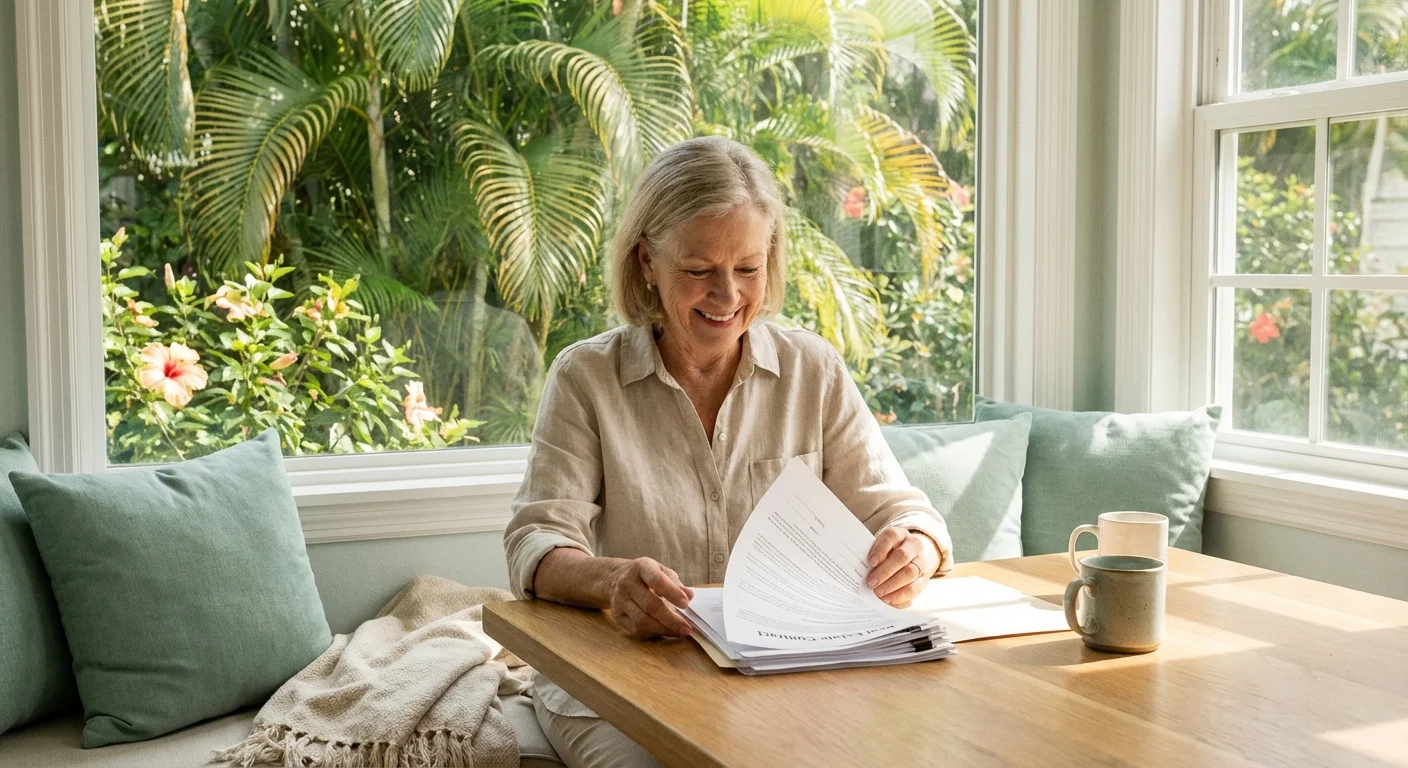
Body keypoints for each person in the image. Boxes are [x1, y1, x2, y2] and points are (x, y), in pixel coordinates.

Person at [503, 136, 953, 768]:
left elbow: (905, 512)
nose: (728, 296)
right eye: (697, 270)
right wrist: (613, 582)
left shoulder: (812, 371)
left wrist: (915, 547)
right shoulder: (585, 377)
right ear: (646, 264)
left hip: (782, 678)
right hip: (621, 681)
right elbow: (536, 543)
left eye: (748, 268)